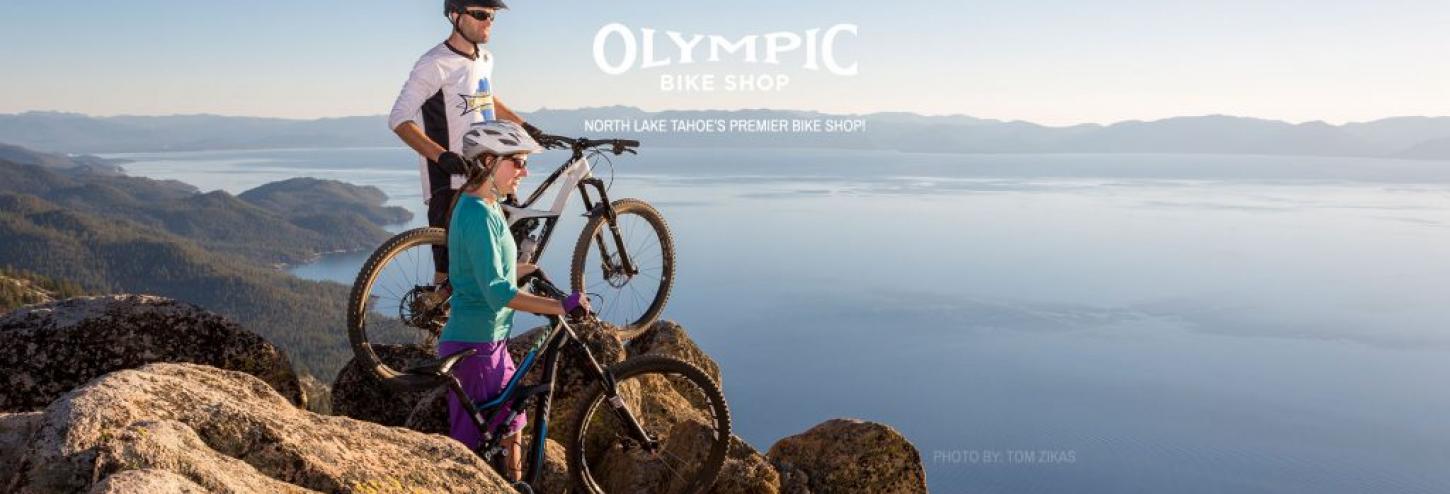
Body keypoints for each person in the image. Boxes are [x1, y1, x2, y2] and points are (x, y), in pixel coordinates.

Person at [440, 121, 588, 483]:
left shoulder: (489, 207)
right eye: (517, 161)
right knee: (469, 453)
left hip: (493, 343)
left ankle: (515, 483)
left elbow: (498, 272)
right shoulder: (476, 214)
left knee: (513, 422)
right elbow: (499, 293)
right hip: (475, 348)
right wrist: (559, 307)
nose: (525, 171)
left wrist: (529, 268)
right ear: (489, 161)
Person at [388, 0, 550, 288]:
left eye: (492, 16)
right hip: (450, 182)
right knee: (447, 276)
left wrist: (525, 126)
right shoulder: (434, 63)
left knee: (506, 253)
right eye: (480, 14)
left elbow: (486, 96)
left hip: (489, 177)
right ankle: (436, 327)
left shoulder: (484, 59)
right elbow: (399, 119)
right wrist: (442, 157)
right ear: (455, 16)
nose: (489, 21)